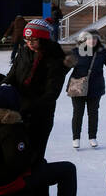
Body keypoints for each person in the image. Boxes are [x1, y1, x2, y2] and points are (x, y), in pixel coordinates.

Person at [7, 18, 69, 165]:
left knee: (35, 155)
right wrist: (2, 90)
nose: (29, 43)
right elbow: (12, 75)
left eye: (34, 40)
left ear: (44, 39)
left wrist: (30, 106)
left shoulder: (55, 57)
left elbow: (52, 93)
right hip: (18, 110)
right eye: (27, 39)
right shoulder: (23, 51)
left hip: (40, 115)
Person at [65, 29, 106, 149]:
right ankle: (76, 138)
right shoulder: (76, 52)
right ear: (84, 40)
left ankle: (92, 137)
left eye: (95, 39)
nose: (92, 41)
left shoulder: (102, 53)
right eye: (90, 38)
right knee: (77, 113)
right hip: (77, 86)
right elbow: (63, 68)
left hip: (95, 88)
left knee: (93, 113)